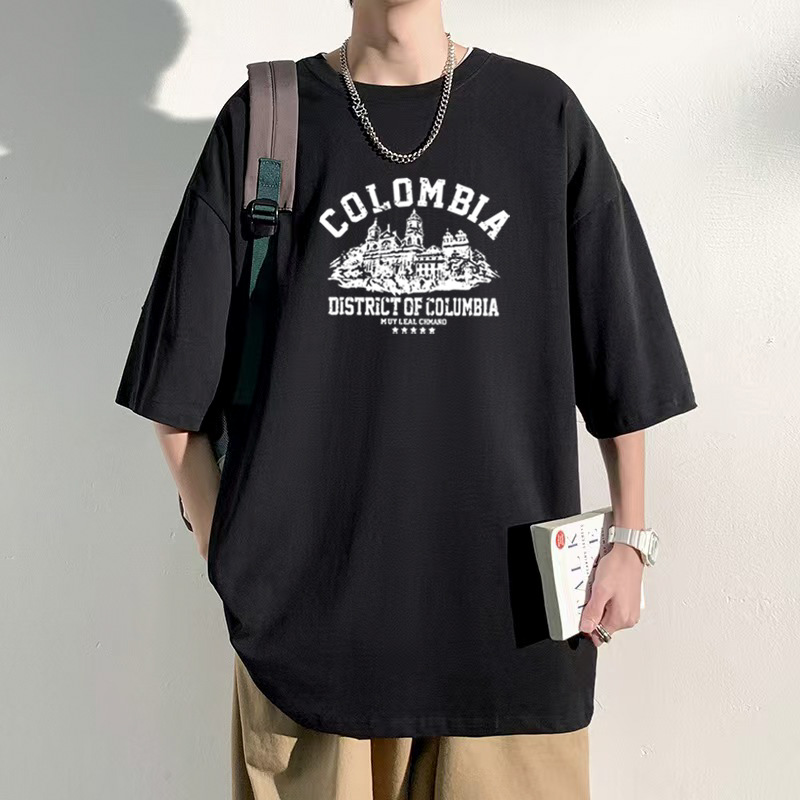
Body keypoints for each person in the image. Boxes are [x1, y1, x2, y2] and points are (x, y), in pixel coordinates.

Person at [114, 0, 698, 797]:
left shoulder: (540, 116)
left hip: (512, 632)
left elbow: (622, 358)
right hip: (311, 644)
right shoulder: (265, 121)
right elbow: (175, 384)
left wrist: (630, 539)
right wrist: (232, 559)